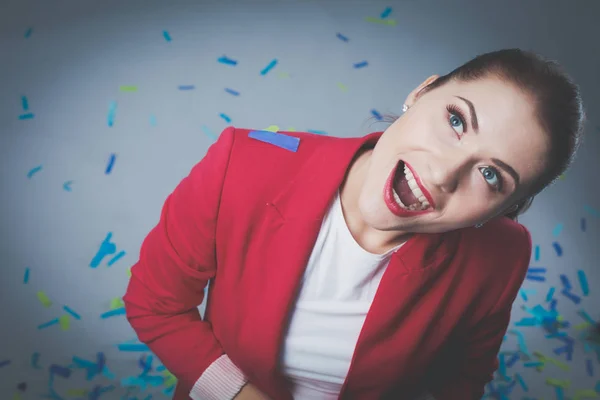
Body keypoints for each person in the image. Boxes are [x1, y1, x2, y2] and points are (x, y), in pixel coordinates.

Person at [122, 48, 585, 400]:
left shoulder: (502, 256)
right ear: (421, 93)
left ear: (504, 210)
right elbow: (156, 305)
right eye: (456, 120)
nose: (443, 173)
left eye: (491, 176)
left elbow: (458, 382)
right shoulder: (242, 161)